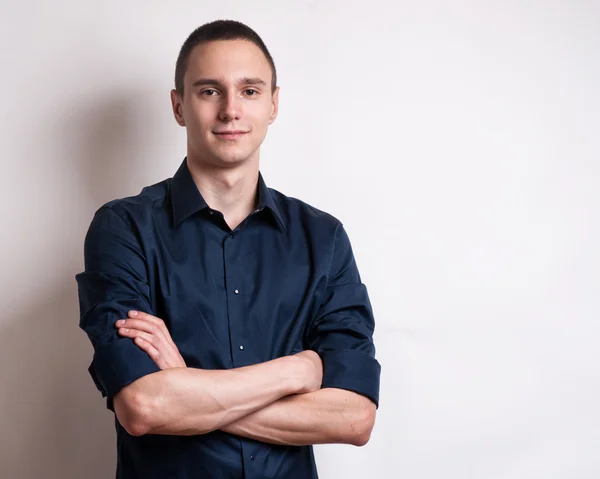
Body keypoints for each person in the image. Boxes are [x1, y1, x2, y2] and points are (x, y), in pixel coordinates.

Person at [76, 19, 381, 479]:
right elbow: (143, 405)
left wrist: (187, 390)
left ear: (274, 103)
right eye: (209, 91)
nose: (231, 110)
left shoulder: (324, 238)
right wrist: (297, 372)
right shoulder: (123, 229)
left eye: (250, 91)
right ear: (179, 106)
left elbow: (354, 417)